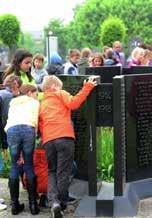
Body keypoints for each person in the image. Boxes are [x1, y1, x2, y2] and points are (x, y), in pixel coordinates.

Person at [39, 75, 97, 218]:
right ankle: (63, 203)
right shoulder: (60, 93)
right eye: (60, 86)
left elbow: (40, 125)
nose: (62, 89)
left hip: (48, 140)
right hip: (64, 137)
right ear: (54, 87)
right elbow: (74, 103)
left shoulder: (42, 104)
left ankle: (54, 203)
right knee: (63, 172)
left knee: (52, 171)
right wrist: (88, 87)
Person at [5, 84, 40, 215]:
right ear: (30, 93)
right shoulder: (34, 102)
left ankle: (15, 205)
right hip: (28, 129)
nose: (37, 96)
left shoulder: (13, 101)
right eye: (36, 93)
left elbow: (10, 119)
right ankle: (33, 205)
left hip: (12, 130)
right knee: (29, 165)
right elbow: (35, 121)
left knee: (14, 166)